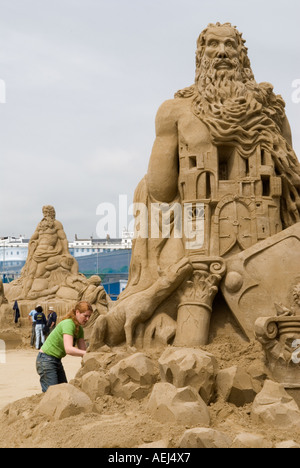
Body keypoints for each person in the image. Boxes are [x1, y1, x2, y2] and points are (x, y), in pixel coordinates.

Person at [36, 300, 92, 392]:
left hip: (56, 360)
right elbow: (69, 349)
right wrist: (88, 353)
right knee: (53, 394)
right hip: (46, 360)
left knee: (65, 392)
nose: (87, 319)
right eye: (85, 316)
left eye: (89, 316)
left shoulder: (80, 329)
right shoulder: (68, 323)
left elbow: (83, 352)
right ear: (77, 312)